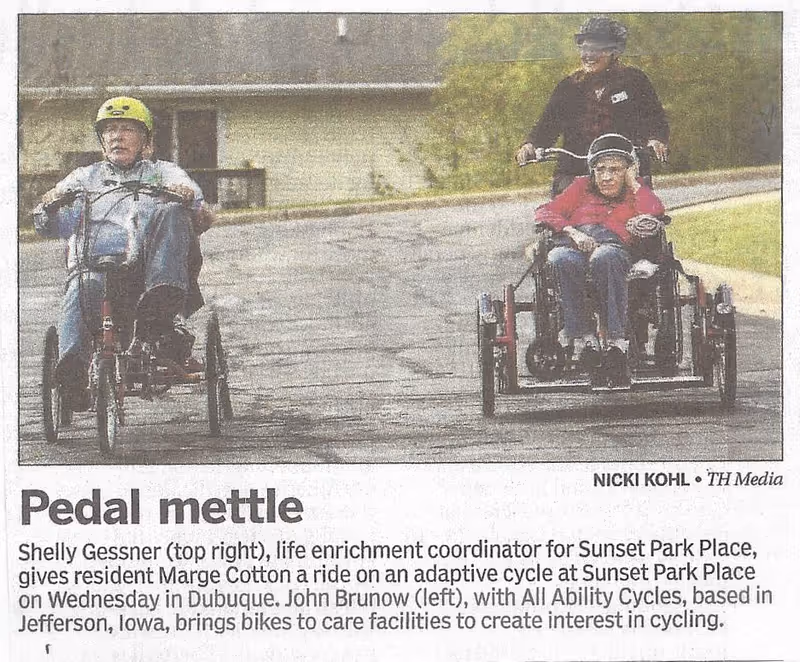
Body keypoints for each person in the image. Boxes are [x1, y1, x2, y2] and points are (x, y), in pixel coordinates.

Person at [33, 96, 216, 409]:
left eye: (127, 129)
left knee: (173, 213)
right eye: (110, 130)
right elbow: (50, 225)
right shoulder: (83, 178)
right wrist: (49, 206)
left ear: (145, 139)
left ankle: (162, 302)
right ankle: (72, 373)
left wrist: (189, 201)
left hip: (147, 275)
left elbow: (202, 215)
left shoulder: (163, 174)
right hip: (95, 269)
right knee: (80, 287)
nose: (117, 136)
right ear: (102, 140)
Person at [531, 133, 666, 386]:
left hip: (614, 249)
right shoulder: (581, 187)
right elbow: (545, 211)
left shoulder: (636, 192)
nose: (605, 177)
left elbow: (655, 212)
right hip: (575, 244)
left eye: (615, 170)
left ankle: (617, 343)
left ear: (628, 171)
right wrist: (572, 232)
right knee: (559, 258)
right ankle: (584, 339)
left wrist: (634, 184)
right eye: (600, 169)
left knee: (606, 257)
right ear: (591, 171)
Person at [515, 15, 669, 197]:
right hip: (574, 174)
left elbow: (655, 119)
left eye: (596, 49)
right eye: (584, 48)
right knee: (555, 220)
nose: (588, 55)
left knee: (644, 220)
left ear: (614, 51)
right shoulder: (568, 86)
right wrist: (530, 145)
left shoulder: (635, 81)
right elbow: (546, 126)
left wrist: (655, 140)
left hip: (626, 172)